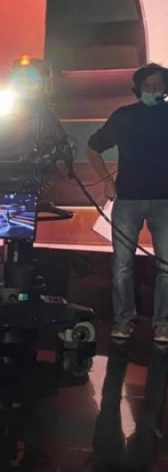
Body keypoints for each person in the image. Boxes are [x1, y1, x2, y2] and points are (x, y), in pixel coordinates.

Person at [86, 62, 168, 342]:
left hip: (165, 201)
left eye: (158, 86)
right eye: (148, 86)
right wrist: (107, 181)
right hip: (128, 199)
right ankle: (123, 320)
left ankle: (163, 324)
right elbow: (93, 147)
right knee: (122, 265)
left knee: (166, 266)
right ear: (138, 88)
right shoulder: (124, 116)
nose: (153, 90)